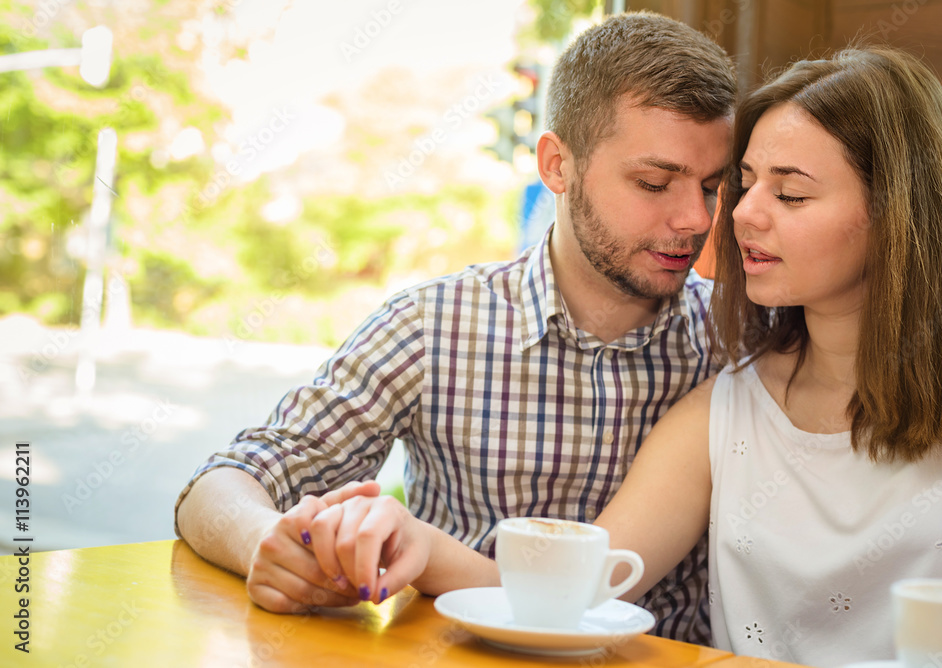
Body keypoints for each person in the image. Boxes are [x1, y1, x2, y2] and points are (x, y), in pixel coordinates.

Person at [303, 45, 942, 667]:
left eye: (788, 193)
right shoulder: (727, 406)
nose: (735, 215)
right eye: (746, 183)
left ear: (898, 214)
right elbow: (580, 587)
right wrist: (419, 544)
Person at [174, 11, 736, 644]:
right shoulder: (431, 326)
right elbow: (223, 481)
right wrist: (262, 543)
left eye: (713, 187)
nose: (695, 219)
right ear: (557, 165)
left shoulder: (738, 340)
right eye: (654, 182)